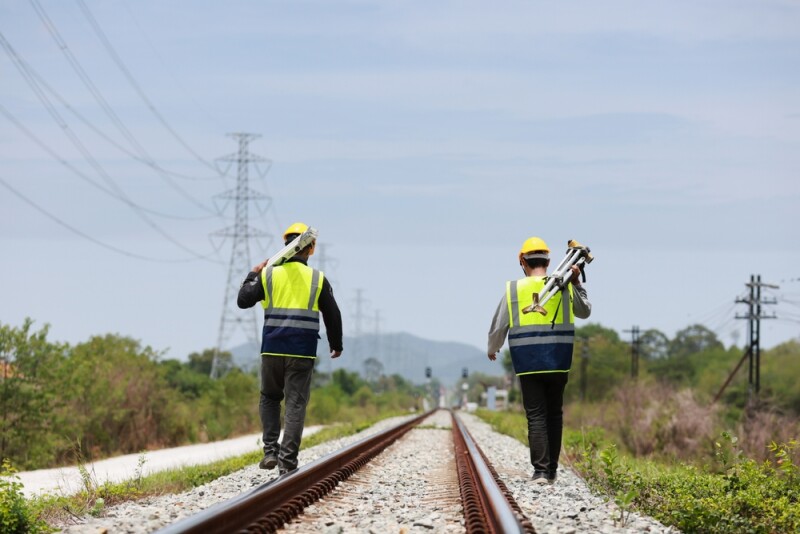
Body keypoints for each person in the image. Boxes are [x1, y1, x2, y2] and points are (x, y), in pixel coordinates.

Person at [237, 222, 343, 475]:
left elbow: (243, 301)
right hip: (302, 351)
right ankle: (287, 462)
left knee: (270, 398)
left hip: (272, 348)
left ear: (285, 245)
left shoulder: (268, 275)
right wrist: (336, 344)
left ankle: (270, 451)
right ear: (311, 249)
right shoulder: (317, 278)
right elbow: (333, 314)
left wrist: (253, 274)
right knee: (295, 404)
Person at [487, 236, 591, 484]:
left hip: (528, 362)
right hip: (559, 359)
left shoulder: (514, 289)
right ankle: (552, 471)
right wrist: (577, 284)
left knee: (536, 415)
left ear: (522, 261)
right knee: (554, 413)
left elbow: (498, 325)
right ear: (549, 260)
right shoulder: (563, 284)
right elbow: (584, 311)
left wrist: (493, 347)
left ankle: (541, 471)